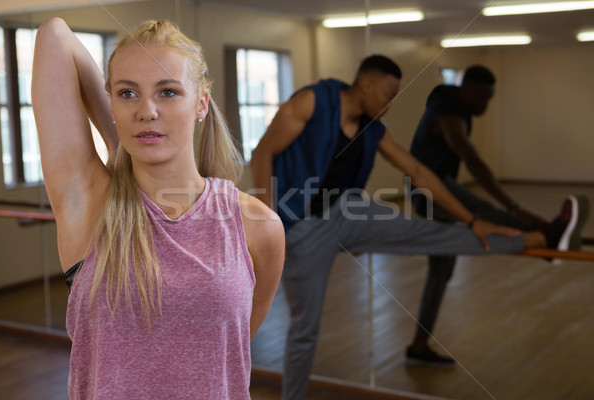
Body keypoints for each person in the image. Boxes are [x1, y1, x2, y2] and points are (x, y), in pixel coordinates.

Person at [250, 55, 583, 400]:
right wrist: (269, 225)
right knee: (306, 329)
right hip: (301, 229)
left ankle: (543, 238)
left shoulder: (373, 130)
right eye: (388, 94)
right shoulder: (313, 101)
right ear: (366, 85)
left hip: (346, 212)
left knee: (430, 232)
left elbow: (419, 173)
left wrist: (473, 219)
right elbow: (262, 154)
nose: (390, 104)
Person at [32, 17, 284, 399]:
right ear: (111, 102)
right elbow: (55, 37)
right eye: (127, 94)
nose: (146, 110)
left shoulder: (257, 225)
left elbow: (229, 351)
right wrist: (117, 141)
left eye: (167, 92)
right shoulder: (90, 205)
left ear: (201, 103)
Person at [406, 65, 589, 368]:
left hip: (436, 187)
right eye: (481, 97)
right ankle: (549, 235)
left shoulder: (457, 107)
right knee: (484, 211)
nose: (485, 106)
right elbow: (471, 158)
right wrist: (513, 206)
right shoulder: (448, 110)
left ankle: (418, 346)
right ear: (465, 89)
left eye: (489, 99)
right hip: (428, 189)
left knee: (440, 273)